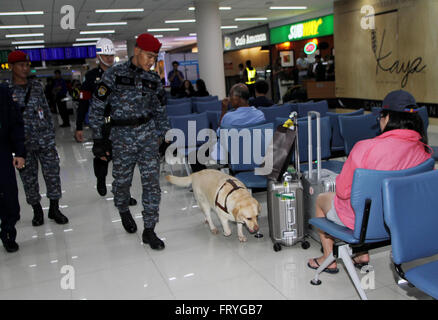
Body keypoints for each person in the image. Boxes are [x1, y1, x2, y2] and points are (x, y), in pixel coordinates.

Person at [307, 90, 432, 273]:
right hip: (401, 221)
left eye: (380, 116)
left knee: (322, 198)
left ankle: (328, 258)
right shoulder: (425, 152)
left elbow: (342, 191)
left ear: (387, 118)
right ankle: (360, 254)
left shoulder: (365, 148)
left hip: (365, 224)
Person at [89, 33, 170, 250]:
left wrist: (165, 136)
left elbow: (161, 111)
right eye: (149, 56)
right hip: (121, 137)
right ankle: (123, 209)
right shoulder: (114, 75)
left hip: (147, 136)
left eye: (155, 57)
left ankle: (150, 229)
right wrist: (98, 139)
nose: (152, 61)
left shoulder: (153, 80)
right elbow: (96, 108)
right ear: (137, 51)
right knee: (121, 182)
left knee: (152, 184)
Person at [74, 38, 137, 206]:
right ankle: (101, 179)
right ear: (99, 56)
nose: (109, 58)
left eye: (111, 55)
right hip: (101, 125)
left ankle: (124, 194)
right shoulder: (91, 76)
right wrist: (79, 126)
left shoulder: (120, 74)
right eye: (105, 55)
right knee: (102, 156)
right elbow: (84, 102)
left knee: (123, 161)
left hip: (119, 124)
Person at [8, 51, 69, 227]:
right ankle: (36, 211)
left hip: (44, 140)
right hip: (23, 145)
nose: (25, 68)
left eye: (27, 65)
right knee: (29, 179)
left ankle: (54, 209)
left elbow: (46, 111)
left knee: (52, 174)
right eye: (21, 65)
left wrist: (50, 133)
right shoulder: (6, 90)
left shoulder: (36, 87)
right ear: (12, 67)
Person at [0, 84, 26, 252]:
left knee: (8, 196)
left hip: (1, 151)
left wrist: (20, 152)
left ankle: (8, 231)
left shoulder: (3, 93)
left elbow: (15, 123)